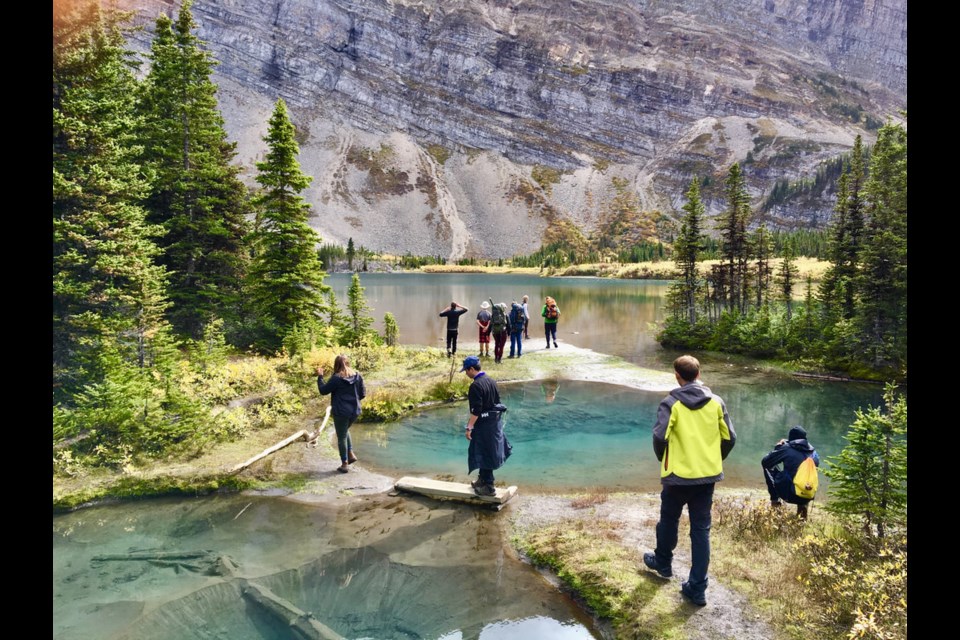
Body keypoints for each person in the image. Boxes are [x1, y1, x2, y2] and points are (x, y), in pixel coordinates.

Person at [643, 355, 736, 607]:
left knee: (669, 519)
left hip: (677, 477)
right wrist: (714, 460)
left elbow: (660, 438)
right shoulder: (716, 402)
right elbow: (729, 438)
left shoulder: (671, 402)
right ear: (699, 372)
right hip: (706, 477)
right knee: (701, 530)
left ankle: (663, 562)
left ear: (677, 375)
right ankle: (697, 587)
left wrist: (665, 459)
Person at [461, 356, 511, 496]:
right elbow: (497, 402)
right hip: (495, 423)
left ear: (472, 369)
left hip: (484, 426)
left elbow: (476, 410)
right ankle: (482, 480)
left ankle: (489, 487)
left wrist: (469, 427)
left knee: (485, 453)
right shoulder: (491, 381)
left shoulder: (475, 386)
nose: (466, 373)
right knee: (486, 451)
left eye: (466, 370)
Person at [316, 355, 367, 474]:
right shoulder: (357, 375)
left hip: (341, 412)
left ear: (336, 365)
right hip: (355, 411)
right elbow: (363, 394)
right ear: (348, 363)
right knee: (344, 431)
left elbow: (323, 391)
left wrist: (320, 376)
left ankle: (344, 464)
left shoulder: (336, 378)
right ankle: (350, 454)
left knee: (341, 436)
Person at [762, 426, 820, 520]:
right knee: (807, 477)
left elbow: (765, 461)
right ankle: (802, 512)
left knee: (768, 467)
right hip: (807, 495)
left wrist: (778, 447)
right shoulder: (814, 454)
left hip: (789, 494)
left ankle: (775, 502)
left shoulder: (786, 449)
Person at [490, 300, 510, 364]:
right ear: (503, 308)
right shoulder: (505, 315)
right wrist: (509, 333)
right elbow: (508, 325)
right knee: (501, 346)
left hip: (495, 331)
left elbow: (491, 323)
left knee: (496, 344)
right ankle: (499, 359)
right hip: (503, 331)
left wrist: (489, 332)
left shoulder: (493, 315)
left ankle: (496, 358)